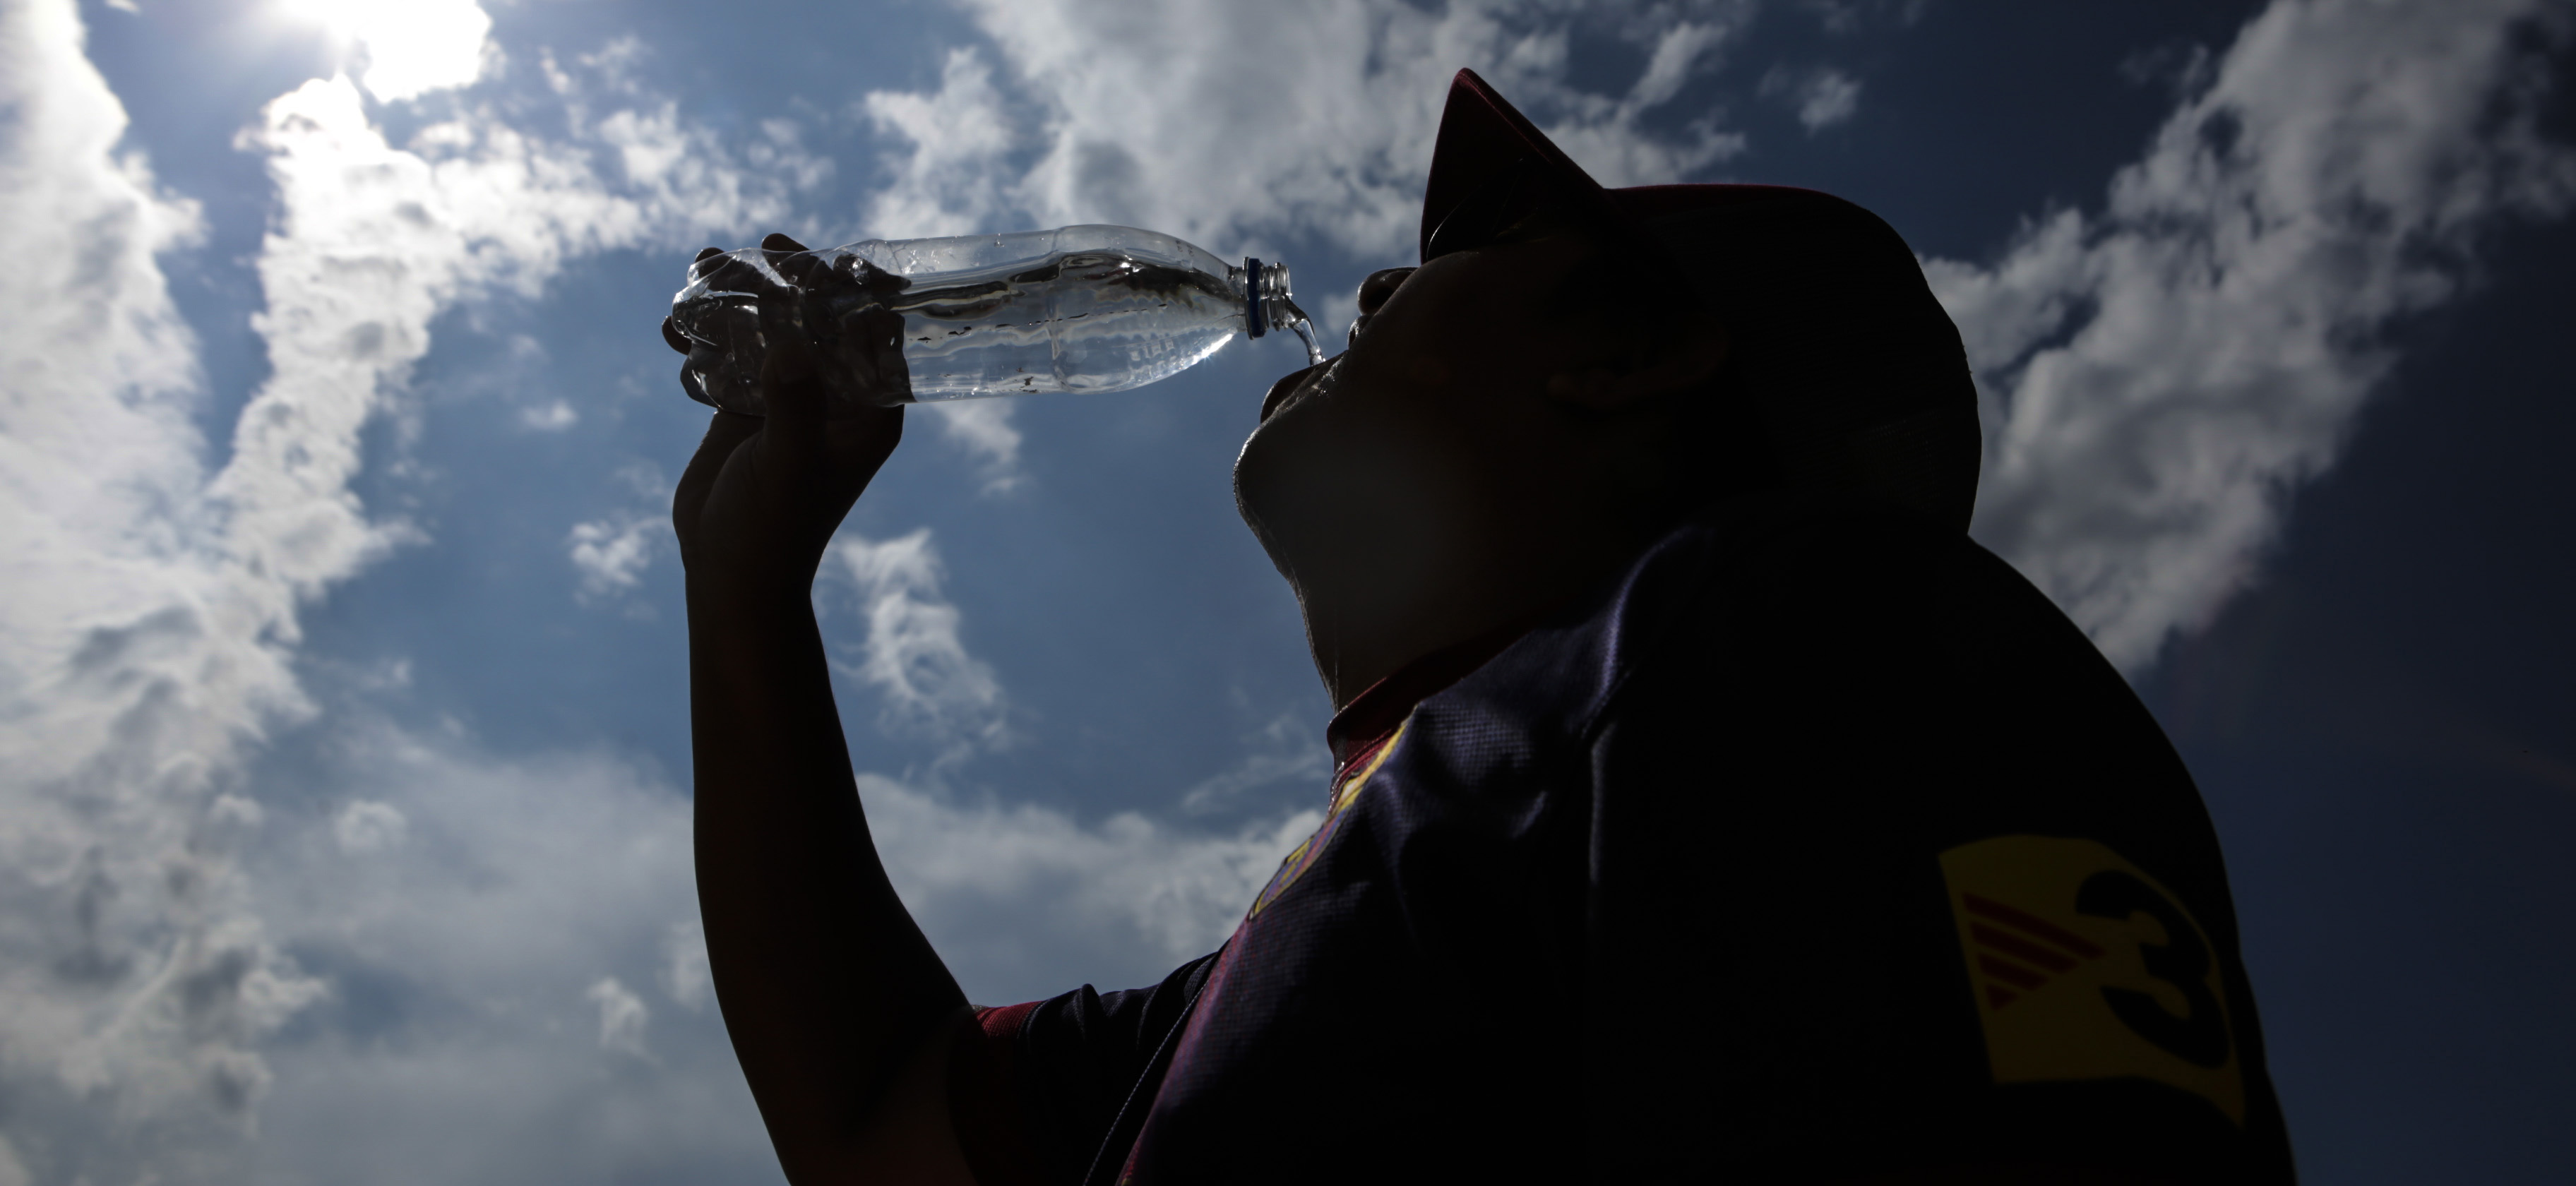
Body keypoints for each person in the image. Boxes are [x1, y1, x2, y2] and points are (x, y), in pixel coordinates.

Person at [664, 69, 2297, 1185]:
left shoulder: (1820, 624)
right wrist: (744, 591)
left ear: (1634, 355)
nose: (1373, 287)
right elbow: (881, 1123)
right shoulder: (1307, 951)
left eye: (1475, 253)